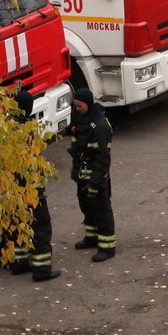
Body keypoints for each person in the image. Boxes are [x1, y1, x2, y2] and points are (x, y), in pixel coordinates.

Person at [0, 89, 60, 281]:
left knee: (16, 225)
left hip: (12, 190)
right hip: (31, 191)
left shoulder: (5, 128)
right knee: (41, 227)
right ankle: (42, 270)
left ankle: (19, 263)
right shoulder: (27, 131)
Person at [67, 87, 116, 262]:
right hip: (82, 175)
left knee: (102, 210)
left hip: (96, 178)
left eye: (79, 106)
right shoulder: (81, 119)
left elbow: (103, 159)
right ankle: (92, 237)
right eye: (75, 106)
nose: (77, 109)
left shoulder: (100, 126)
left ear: (87, 104)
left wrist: (95, 183)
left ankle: (107, 247)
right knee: (87, 207)